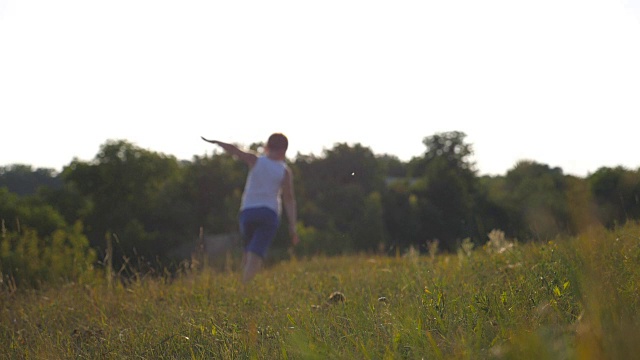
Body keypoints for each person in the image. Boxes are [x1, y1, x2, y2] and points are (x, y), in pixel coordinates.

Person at [202, 133, 299, 283]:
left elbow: (235, 150)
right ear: (284, 150)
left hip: (248, 212)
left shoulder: (255, 160)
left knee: (248, 250)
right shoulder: (285, 171)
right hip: (269, 213)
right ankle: (244, 286)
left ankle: (241, 283)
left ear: (266, 147)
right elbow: (289, 199)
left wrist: (216, 141)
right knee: (256, 253)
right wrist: (292, 226)